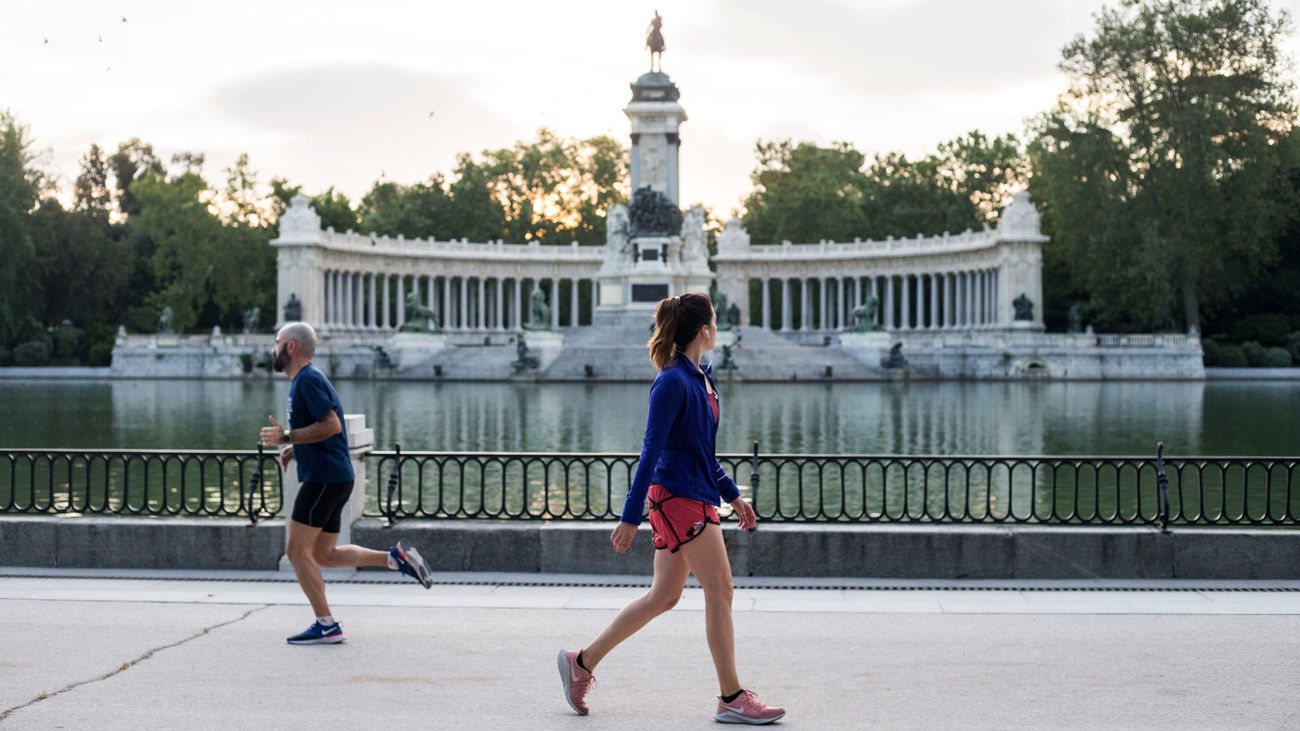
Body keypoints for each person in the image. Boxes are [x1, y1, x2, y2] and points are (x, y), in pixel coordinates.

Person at [556, 293, 785, 725]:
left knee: (664, 595)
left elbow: (701, 449)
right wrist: (629, 515)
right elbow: (651, 450)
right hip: (679, 498)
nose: (717, 326)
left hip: (694, 494)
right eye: (714, 321)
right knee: (721, 591)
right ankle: (732, 697)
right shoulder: (672, 381)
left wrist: (732, 493)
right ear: (704, 330)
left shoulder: (701, 377)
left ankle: (580, 663)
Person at [260, 322, 434, 645]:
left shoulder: (307, 380)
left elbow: (332, 425)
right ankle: (393, 558)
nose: (273, 347)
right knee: (324, 554)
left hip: (324, 478)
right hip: (334, 476)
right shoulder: (304, 381)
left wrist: (286, 435)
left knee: (296, 551)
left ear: (291, 348)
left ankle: (326, 624)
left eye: (277, 341)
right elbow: (321, 430)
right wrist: (295, 448)